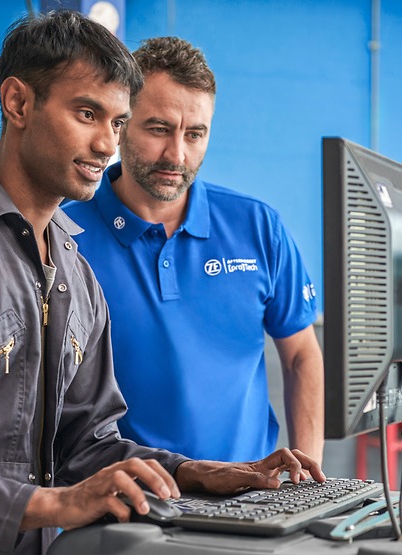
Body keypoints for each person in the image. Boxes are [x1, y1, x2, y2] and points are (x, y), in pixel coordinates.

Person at [0, 12, 325, 555]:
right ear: (18, 103)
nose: (106, 145)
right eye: (87, 114)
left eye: (118, 124)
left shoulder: (73, 271)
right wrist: (55, 505)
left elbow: (86, 445)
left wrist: (197, 473)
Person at [64, 37, 324, 464]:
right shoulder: (66, 236)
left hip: (249, 495)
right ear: (122, 123)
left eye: (195, 134)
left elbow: (300, 356)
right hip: (126, 508)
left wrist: (309, 476)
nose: (177, 154)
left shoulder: (257, 227)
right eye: (159, 128)